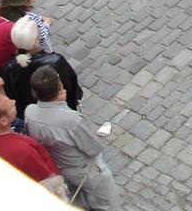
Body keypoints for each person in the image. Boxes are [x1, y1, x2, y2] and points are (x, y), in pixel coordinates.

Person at [25, 66, 123, 211]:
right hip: (84, 169)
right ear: (60, 87)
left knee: (75, 203)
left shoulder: (30, 111)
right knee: (107, 204)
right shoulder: (71, 120)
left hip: (60, 167)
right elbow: (92, 148)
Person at [0, 93, 68, 199]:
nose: (13, 101)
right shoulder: (23, 150)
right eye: (10, 105)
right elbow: (47, 178)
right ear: (3, 121)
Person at [2, 17, 82, 118]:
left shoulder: (10, 67)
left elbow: (13, 95)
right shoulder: (55, 61)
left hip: (31, 112)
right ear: (37, 39)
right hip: (58, 110)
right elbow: (71, 85)